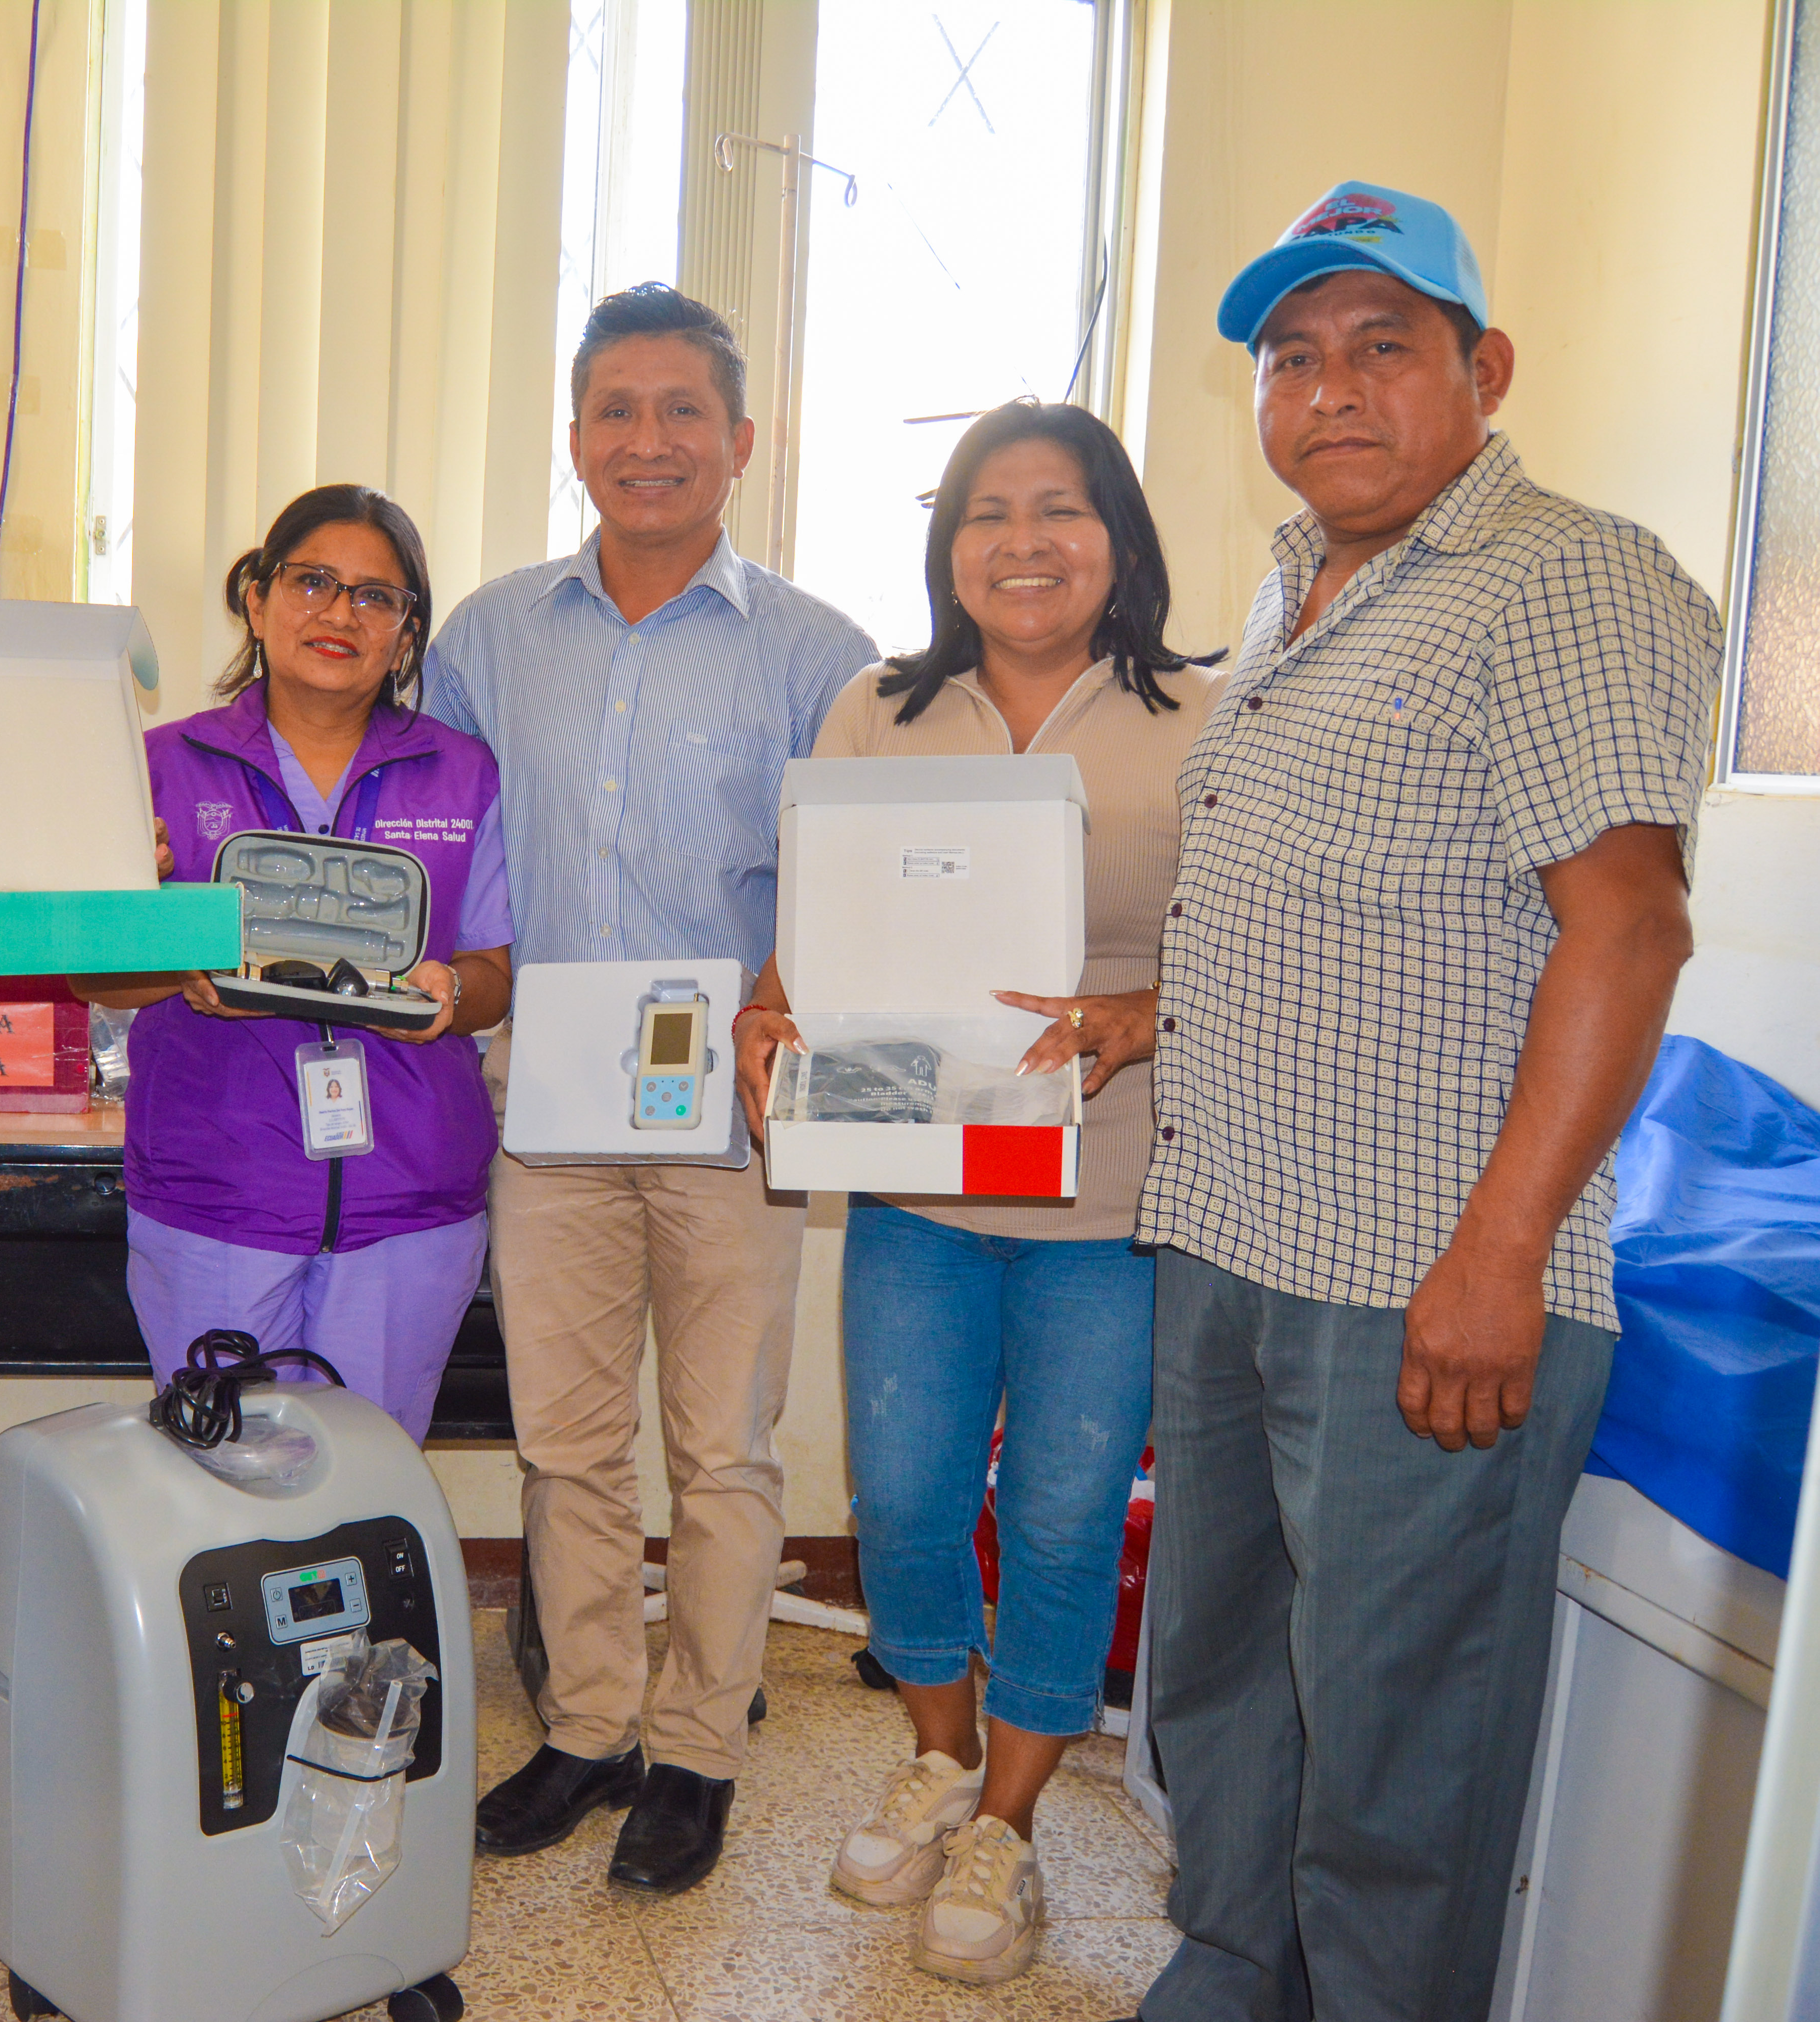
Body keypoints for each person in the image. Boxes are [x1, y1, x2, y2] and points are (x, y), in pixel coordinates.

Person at [1121, 182, 1716, 2022]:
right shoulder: (1296, 584)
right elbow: (1347, 897)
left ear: (1486, 369)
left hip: (1414, 1272)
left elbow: (1627, 929)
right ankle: (1233, 1970)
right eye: (1290, 357)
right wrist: (1142, 1011)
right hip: (1231, 1237)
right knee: (1221, 1677)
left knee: (1398, 1743)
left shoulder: (1562, 577)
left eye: (1382, 345)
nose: (1329, 389)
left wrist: (1501, 1252)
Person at [731, 400, 1217, 1984]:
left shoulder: (1203, 717)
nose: (1022, 541)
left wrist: (1141, 1012)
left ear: (1116, 537)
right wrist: (764, 1014)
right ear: (948, 547)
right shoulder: (876, 710)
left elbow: (1255, 951)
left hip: (1109, 1193)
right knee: (904, 1501)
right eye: (985, 512)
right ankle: (938, 1757)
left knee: (1063, 1519)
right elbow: (814, 933)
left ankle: (1007, 1824)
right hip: (917, 1183)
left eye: (1058, 508)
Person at [426, 283, 876, 1894]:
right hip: (544, 1105)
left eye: (683, 409)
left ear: (741, 441)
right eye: (615, 409)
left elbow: (852, 880)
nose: (648, 439)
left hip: (730, 1117)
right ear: (574, 439)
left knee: (723, 1452)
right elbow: (442, 854)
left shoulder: (821, 655)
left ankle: (696, 1754)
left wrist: (785, 994)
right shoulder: (486, 638)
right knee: (564, 1443)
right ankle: (589, 1727)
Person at [74, 485, 512, 1440]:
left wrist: (450, 991)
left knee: (372, 1478)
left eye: (375, 597)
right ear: (257, 597)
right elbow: (95, 978)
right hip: (215, 1196)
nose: (339, 613)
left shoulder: (463, 774)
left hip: (409, 1204)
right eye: (312, 582)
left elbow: (493, 971)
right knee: (223, 1480)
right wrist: (183, 968)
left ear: (407, 635)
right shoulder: (158, 766)